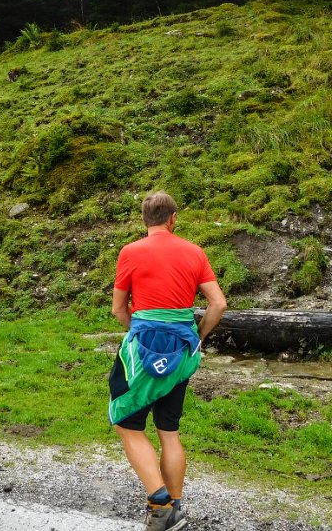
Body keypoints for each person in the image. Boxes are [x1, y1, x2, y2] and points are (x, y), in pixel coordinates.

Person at [109, 191, 227, 531]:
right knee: (169, 431)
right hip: (182, 350)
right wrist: (197, 338)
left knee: (127, 422)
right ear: (173, 219)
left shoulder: (130, 252)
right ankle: (174, 506)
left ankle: (160, 507)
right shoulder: (194, 252)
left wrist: (139, 332)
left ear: (144, 219)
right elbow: (218, 304)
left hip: (144, 346)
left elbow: (118, 309)